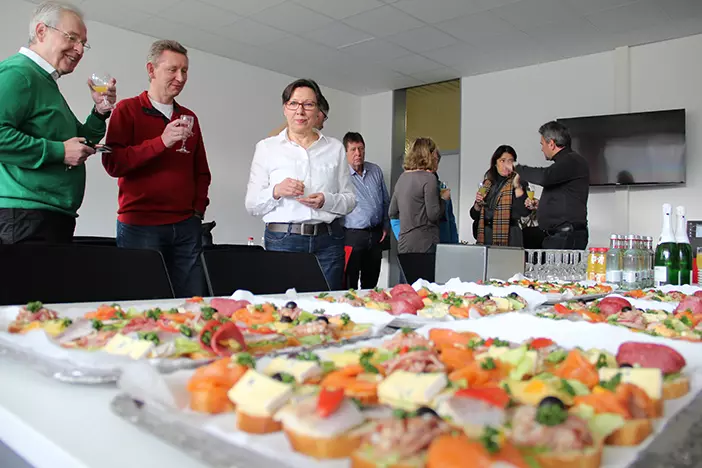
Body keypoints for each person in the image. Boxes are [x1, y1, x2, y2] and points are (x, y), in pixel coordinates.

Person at [0, 1, 116, 244]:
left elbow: (82, 141)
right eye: (72, 38)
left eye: (83, 43)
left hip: (47, 216)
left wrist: (99, 111)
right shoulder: (19, 73)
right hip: (26, 216)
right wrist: (59, 151)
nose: (79, 49)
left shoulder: (44, 82)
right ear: (41, 32)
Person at [103, 40, 211, 297]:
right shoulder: (127, 110)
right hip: (140, 226)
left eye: (185, 71)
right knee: (141, 299)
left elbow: (201, 171)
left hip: (186, 226)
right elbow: (113, 163)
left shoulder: (189, 117)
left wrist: (197, 212)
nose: (180, 77)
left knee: (193, 302)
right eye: (173, 70)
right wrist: (161, 142)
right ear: (151, 70)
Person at [245, 78, 355, 291]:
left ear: (318, 111)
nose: (300, 111)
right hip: (283, 241)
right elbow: (251, 205)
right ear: (285, 109)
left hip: (328, 241)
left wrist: (327, 200)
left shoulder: (335, 148)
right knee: (284, 311)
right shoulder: (267, 148)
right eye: (294, 104)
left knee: (328, 308)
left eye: (308, 104)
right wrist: (276, 191)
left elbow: (350, 201)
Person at [514, 121, 589, 249]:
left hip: (565, 237)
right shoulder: (565, 163)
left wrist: (516, 167)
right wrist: (542, 205)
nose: (542, 148)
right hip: (560, 236)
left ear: (552, 144)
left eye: (542, 144)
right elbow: (564, 197)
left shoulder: (571, 161)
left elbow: (545, 177)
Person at [343, 132, 390, 290]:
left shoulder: (375, 170)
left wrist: (385, 225)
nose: (358, 153)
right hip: (352, 235)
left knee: (372, 282)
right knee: (350, 281)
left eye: (361, 149)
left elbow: (385, 199)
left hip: (375, 234)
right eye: (353, 149)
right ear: (346, 153)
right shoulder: (341, 175)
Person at [389, 137, 444, 254]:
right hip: (425, 243)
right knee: (427, 272)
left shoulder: (402, 178)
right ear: (430, 154)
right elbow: (433, 215)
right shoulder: (429, 178)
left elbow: (392, 212)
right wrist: (443, 199)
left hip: (404, 244)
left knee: (409, 272)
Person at [470, 145, 532, 247]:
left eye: (510, 161)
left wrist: (517, 187)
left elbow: (524, 211)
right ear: (495, 163)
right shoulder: (487, 184)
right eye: (502, 161)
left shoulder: (519, 182)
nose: (506, 165)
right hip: (486, 236)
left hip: (510, 235)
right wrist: (477, 204)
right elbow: (474, 215)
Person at [389, 152, 458, 244]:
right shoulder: (408, 185)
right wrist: (403, 239)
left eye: (436, 161)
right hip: (421, 244)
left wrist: (454, 244)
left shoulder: (442, 187)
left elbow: (450, 218)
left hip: (444, 243)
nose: (434, 164)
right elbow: (394, 216)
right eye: (432, 160)